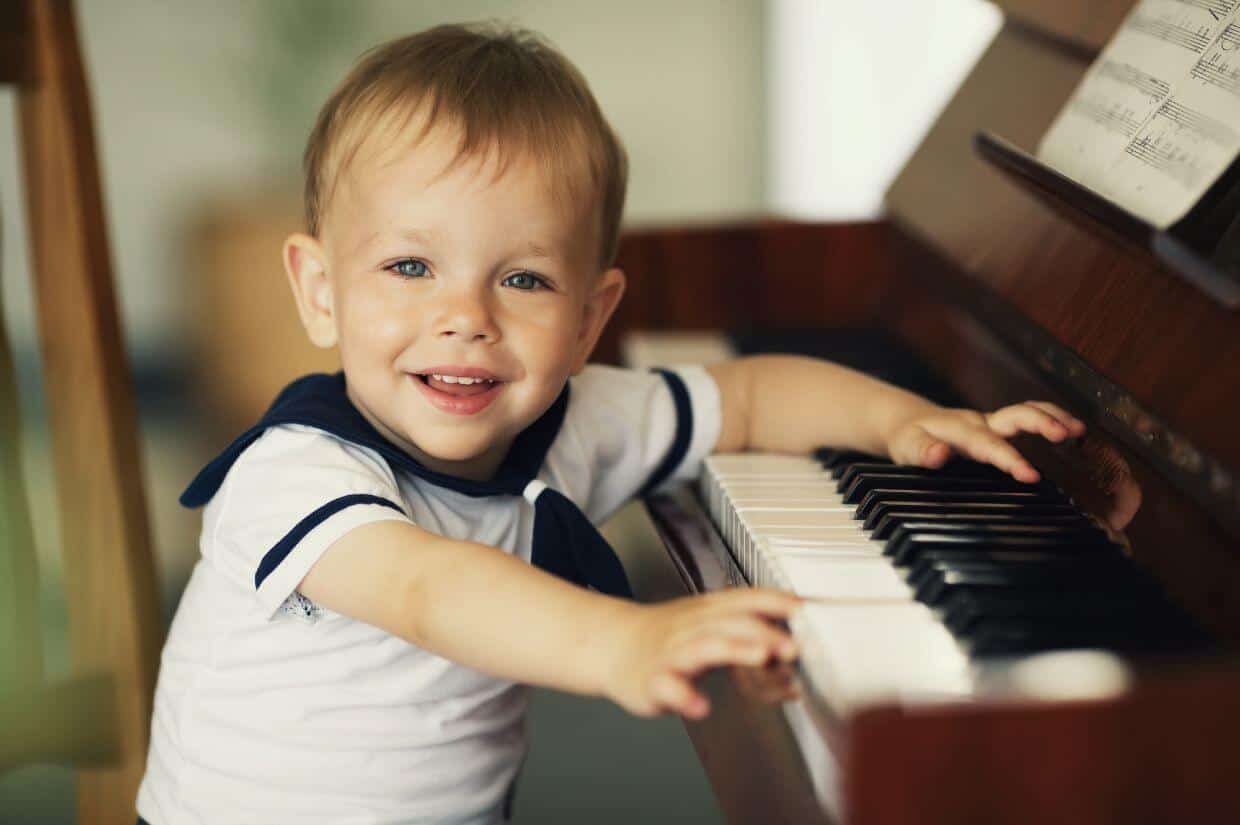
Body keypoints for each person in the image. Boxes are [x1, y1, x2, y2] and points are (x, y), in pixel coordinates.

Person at [135, 21, 1085, 825]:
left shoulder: (578, 417)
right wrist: (623, 642)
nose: (467, 315)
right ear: (320, 291)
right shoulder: (292, 473)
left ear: (590, 318)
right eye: (410, 268)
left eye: (524, 279)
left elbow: (750, 395)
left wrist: (907, 424)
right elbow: (432, 590)